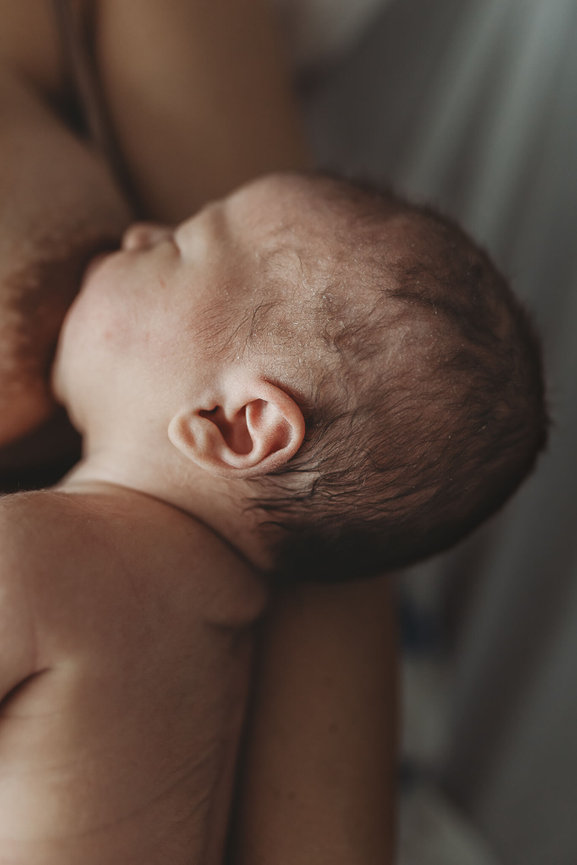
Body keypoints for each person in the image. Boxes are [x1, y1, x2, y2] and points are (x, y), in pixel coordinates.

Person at [0, 3, 546, 863]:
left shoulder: (46, 563)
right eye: (174, 243)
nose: (140, 230)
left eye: (172, 247)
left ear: (238, 424)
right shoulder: (224, 614)